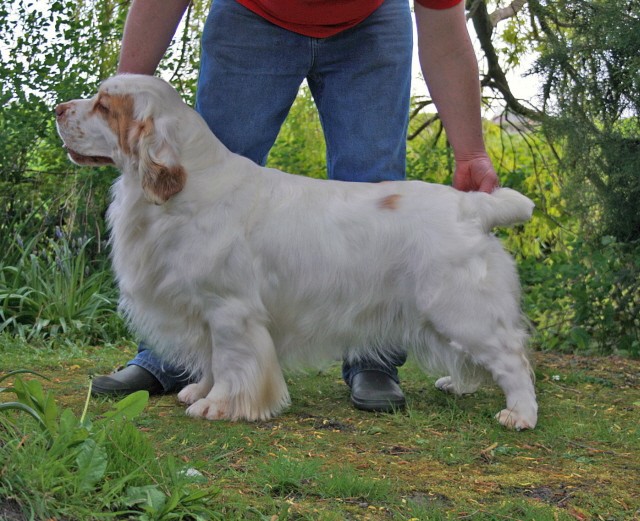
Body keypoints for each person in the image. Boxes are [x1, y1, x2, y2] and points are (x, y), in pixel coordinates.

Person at [92, 0, 500, 412]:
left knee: (374, 189)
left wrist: (470, 153)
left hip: (371, 20)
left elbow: (443, 23)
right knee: (197, 179)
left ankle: (373, 357)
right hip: (249, 15)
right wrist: (121, 95)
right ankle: (174, 358)